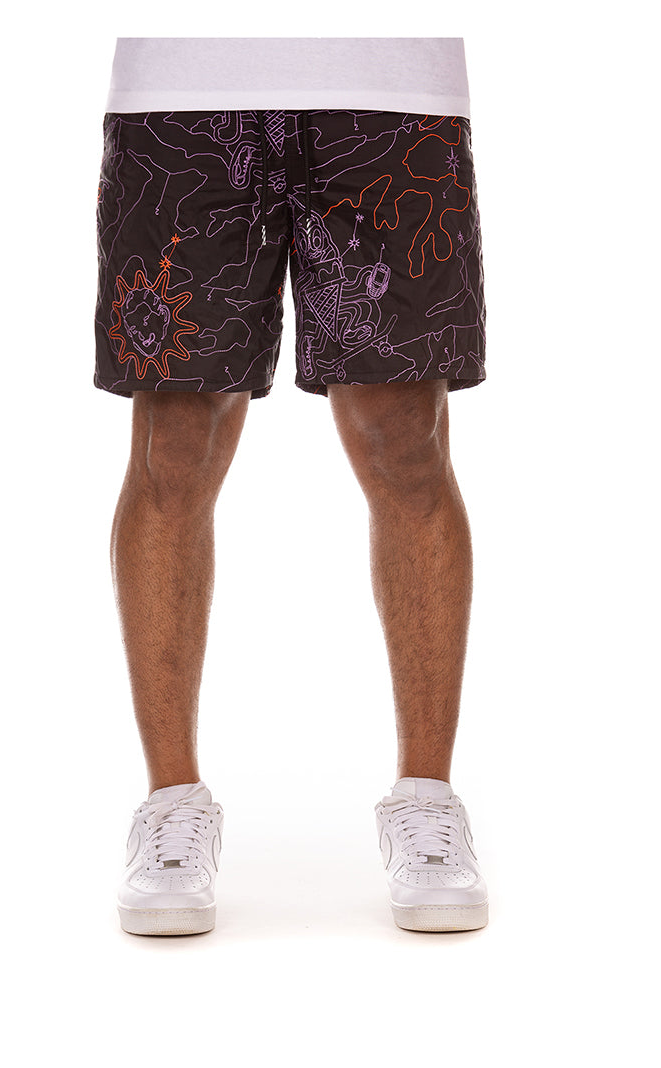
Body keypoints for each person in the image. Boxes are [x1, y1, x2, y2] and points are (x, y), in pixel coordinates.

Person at [94, 37, 489, 936]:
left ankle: (428, 801)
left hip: (392, 88)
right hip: (182, 91)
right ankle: (171, 806)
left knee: (407, 438)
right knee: (173, 444)